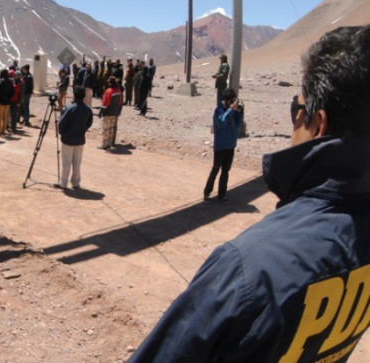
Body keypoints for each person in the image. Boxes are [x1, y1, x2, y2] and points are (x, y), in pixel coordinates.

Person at [130, 25, 370, 362]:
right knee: (217, 172)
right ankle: (210, 192)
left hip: (231, 154)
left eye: (295, 110)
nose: (294, 121)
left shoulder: (245, 267)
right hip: (221, 148)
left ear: (318, 123)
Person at [203, 88, 243, 202]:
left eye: (233, 100)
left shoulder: (234, 111)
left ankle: (222, 195)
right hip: (221, 146)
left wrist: (240, 112)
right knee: (216, 169)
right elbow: (221, 122)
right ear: (225, 100)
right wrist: (230, 110)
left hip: (230, 145)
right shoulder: (219, 110)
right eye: (230, 100)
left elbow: (238, 123)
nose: (232, 102)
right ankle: (207, 192)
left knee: (225, 171)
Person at [57, 87, 93, 190]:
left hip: (68, 140)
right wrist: (82, 130)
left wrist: (63, 133)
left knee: (67, 162)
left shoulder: (70, 108)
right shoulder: (87, 109)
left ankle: (64, 183)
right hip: (80, 139)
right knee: (77, 162)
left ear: (74, 95)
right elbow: (89, 123)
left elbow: (61, 123)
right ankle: (76, 182)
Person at [99, 77, 124, 150]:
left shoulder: (109, 91)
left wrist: (101, 112)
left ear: (110, 83)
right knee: (111, 129)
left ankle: (104, 145)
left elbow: (105, 102)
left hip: (108, 113)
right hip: (115, 113)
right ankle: (110, 144)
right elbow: (120, 103)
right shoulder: (119, 91)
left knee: (106, 129)